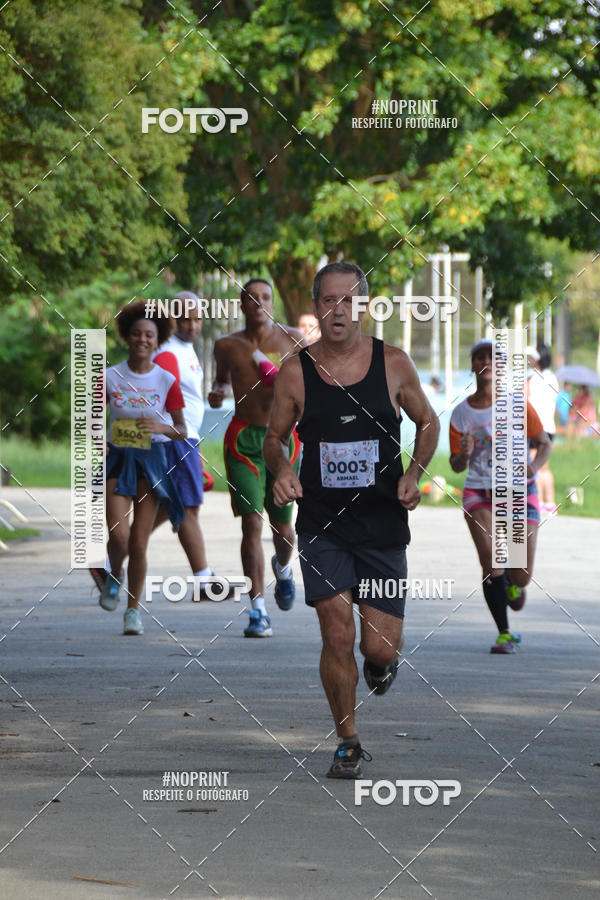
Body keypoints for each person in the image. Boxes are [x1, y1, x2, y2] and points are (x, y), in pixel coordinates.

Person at [263, 261, 439, 779]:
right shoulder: (296, 371)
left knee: (377, 647)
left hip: (382, 522)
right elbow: (274, 438)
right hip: (322, 524)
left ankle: (381, 666)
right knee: (336, 635)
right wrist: (282, 469)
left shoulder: (394, 364)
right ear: (316, 307)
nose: (337, 311)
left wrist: (414, 474)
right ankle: (347, 739)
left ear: (363, 305)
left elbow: (427, 421)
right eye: (328, 301)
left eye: (348, 301)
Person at [208, 278, 307, 637]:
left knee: (283, 528)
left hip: (282, 439)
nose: (259, 303)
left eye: (266, 297)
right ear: (242, 305)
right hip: (243, 439)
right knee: (251, 523)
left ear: (273, 303)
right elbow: (220, 381)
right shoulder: (226, 345)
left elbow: (309, 384)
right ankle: (257, 610)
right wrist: (217, 393)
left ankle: (283, 569)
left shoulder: (293, 339)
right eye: (252, 298)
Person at [449, 339, 551, 654]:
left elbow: (543, 442)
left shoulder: (519, 405)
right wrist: (463, 455)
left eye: (493, 358)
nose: (486, 362)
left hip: (518, 493)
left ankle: (510, 580)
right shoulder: (460, 414)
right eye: (479, 356)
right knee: (492, 559)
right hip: (479, 492)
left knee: (520, 577)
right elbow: (456, 466)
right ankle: (504, 633)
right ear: (473, 366)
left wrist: (533, 468)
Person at [101, 299, 187, 635]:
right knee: (119, 537)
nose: (142, 340)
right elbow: (93, 422)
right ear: (128, 336)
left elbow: (183, 430)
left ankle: (132, 611)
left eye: (149, 335)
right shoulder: (110, 376)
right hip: (118, 459)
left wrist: (162, 427)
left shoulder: (166, 380)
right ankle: (114, 573)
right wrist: (100, 440)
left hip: (152, 461)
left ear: (158, 339)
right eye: (136, 334)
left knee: (138, 543)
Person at [151, 291, 224, 598]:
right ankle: (204, 581)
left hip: (185, 441)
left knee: (168, 508)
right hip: (174, 442)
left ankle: (111, 560)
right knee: (187, 509)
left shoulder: (186, 350)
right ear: (171, 318)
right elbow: (161, 399)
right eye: (184, 319)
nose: (192, 325)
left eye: (197, 319)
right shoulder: (168, 352)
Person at [526, 345, 558, 515]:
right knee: (544, 466)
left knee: (534, 465)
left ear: (538, 359)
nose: (530, 360)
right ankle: (550, 503)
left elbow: (524, 399)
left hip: (536, 428)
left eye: (532, 357)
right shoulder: (552, 377)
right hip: (549, 427)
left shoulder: (533, 379)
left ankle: (536, 501)